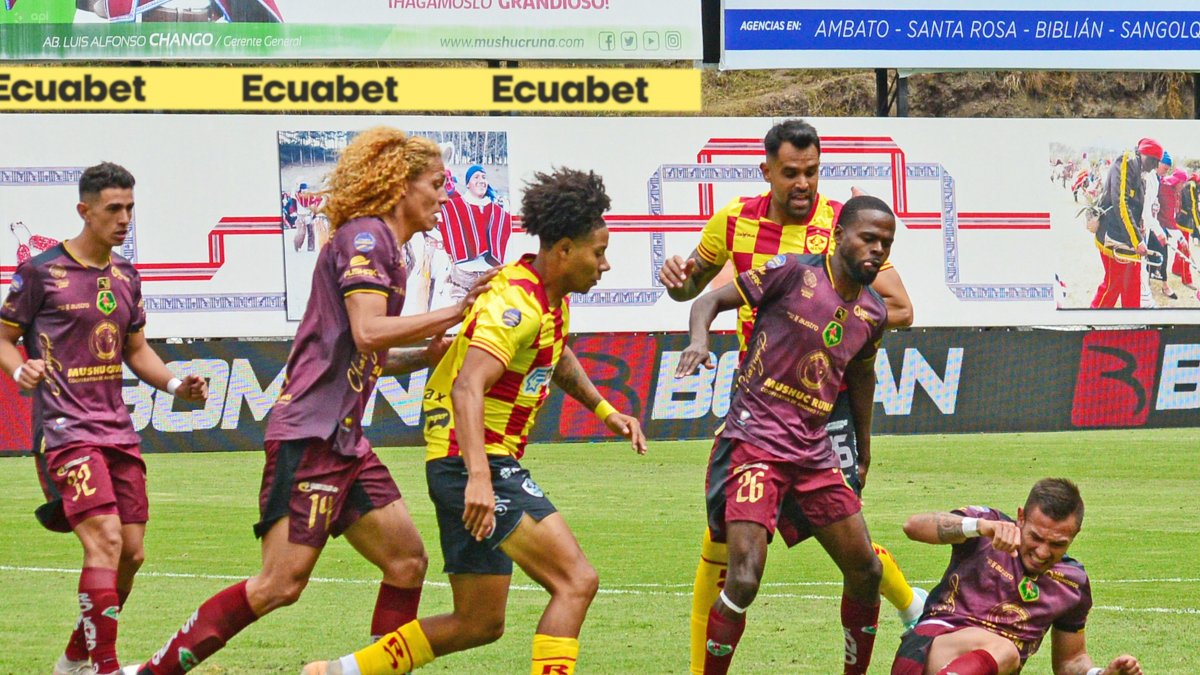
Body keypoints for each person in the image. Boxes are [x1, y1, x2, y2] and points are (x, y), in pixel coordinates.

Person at [126, 127, 492, 675]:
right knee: (280, 584)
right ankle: (151, 673)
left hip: (343, 440)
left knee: (407, 561)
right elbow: (369, 332)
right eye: (437, 184)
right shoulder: (366, 239)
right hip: (310, 437)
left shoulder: (393, 250)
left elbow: (365, 354)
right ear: (400, 185)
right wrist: (456, 310)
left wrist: (426, 352)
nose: (446, 196)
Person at [301, 167, 647, 675]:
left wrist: (605, 410)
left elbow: (556, 355)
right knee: (576, 580)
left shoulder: (544, 298)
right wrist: (480, 479)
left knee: (478, 621)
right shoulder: (515, 303)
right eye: (599, 252)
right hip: (473, 464)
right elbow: (467, 385)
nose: (606, 264)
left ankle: (337, 673)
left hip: (462, 464)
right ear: (566, 250)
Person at [657, 119, 922, 674]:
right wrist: (679, 283)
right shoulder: (737, 223)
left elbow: (894, 309)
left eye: (813, 172)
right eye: (792, 173)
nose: (804, 184)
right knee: (727, 551)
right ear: (768, 172)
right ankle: (699, 665)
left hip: (826, 412)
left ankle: (908, 602)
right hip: (761, 403)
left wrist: (838, 317)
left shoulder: (844, 227)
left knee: (853, 544)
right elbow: (694, 292)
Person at [0, 162, 209, 675]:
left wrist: (178, 385)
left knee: (131, 554)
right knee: (106, 540)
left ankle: (74, 659)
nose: (124, 218)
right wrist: (20, 367)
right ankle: (106, 669)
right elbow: (3, 338)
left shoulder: (126, 277)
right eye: (113, 208)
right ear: (84, 210)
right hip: (65, 431)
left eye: (130, 208)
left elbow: (136, 350)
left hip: (117, 429)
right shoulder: (40, 274)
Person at [891, 478, 1142, 675]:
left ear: (1075, 534)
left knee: (1004, 653)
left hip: (990, 669)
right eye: (1035, 537)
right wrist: (977, 526)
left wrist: (1100, 673)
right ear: (1021, 517)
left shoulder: (1072, 583)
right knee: (1004, 649)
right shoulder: (989, 526)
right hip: (928, 651)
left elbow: (1070, 662)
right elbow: (913, 526)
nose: (1042, 552)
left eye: (1057, 544)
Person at [1091, 138, 1161, 308]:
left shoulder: (1140, 171)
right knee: (1113, 284)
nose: (1154, 167)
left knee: (1132, 285)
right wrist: (1137, 240)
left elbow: (1135, 205)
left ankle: (1132, 322)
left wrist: (1140, 226)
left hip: (1127, 238)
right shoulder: (1126, 161)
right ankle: (1092, 321)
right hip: (1114, 236)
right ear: (1145, 154)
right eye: (1154, 161)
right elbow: (1121, 202)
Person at [437, 163, 513, 303]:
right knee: (462, 319)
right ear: (467, 184)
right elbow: (436, 216)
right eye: (476, 177)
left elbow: (509, 233)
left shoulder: (497, 210)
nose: (481, 180)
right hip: (463, 274)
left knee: (487, 319)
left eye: (484, 177)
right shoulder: (454, 206)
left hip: (489, 274)